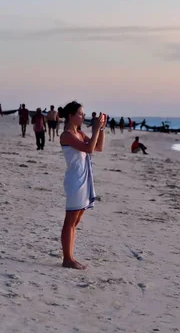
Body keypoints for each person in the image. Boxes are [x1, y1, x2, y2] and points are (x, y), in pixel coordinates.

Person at [59, 101, 106, 269]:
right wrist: (95, 129)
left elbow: (98, 147)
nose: (83, 116)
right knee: (70, 219)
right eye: (80, 114)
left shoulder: (79, 133)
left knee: (76, 219)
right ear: (71, 116)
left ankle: (69, 256)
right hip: (75, 180)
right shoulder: (67, 135)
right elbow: (89, 150)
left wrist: (101, 129)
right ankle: (67, 259)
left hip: (84, 179)